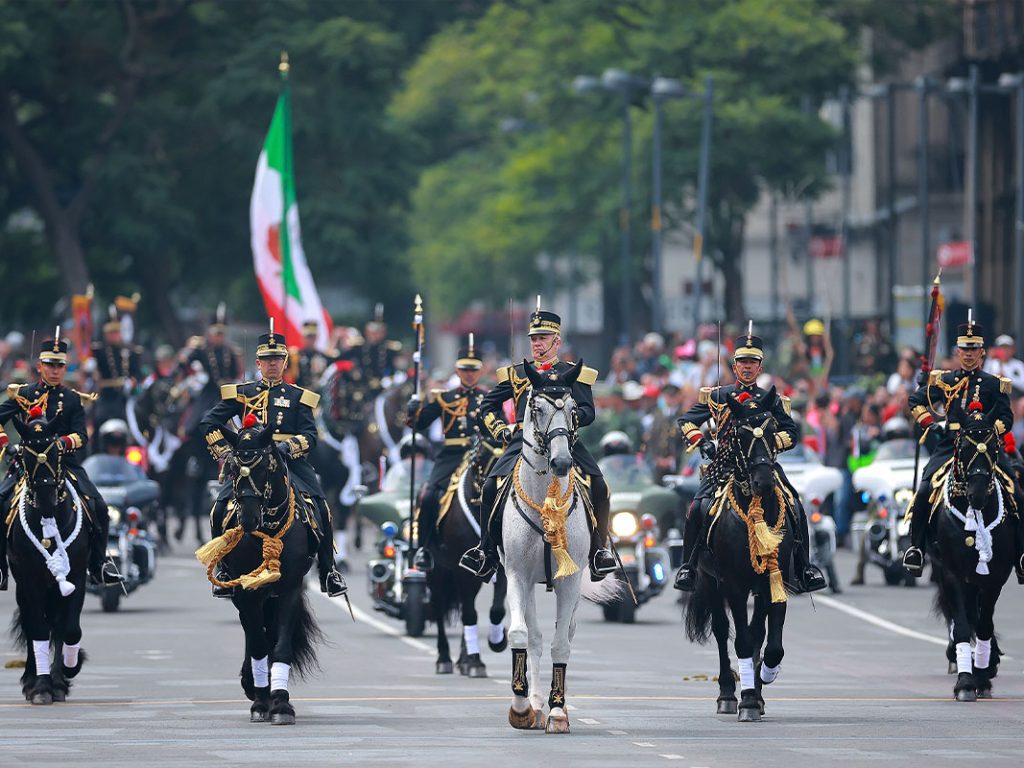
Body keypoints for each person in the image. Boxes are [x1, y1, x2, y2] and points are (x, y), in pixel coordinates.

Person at [459, 305, 615, 581]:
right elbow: (488, 406)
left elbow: (589, 410)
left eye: (542, 338)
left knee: (599, 483)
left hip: (564, 439)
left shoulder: (574, 372)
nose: (536, 343)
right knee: (489, 485)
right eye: (533, 338)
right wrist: (499, 428)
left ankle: (598, 551)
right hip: (523, 440)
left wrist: (572, 418)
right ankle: (486, 551)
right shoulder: (517, 374)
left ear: (557, 341)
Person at [672, 330, 826, 593]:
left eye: (752, 362)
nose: (747, 367)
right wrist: (704, 442)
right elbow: (686, 421)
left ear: (760, 367)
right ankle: (689, 566)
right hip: (724, 466)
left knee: (795, 505)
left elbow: (791, 433)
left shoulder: (772, 399)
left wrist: (767, 445)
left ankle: (804, 567)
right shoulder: (718, 396)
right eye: (742, 362)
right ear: (734, 366)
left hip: (762, 466)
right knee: (698, 507)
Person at [200, 322, 346, 599]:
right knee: (219, 509)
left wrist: (288, 448)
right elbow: (209, 423)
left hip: (290, 463)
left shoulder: (298, 397)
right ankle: (222, 570)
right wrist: (225, 451)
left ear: (285, 361)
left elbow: (310, 435)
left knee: (322, 509)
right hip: (249, 464)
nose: (272, 365)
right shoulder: (242, 393)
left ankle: (328, 571)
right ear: (258, 362)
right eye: (267, 360)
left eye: (277, 359)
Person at [903, 319, 1024, 583]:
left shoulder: (995, 384)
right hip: (950, 446)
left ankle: (1021, 555)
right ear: (958, 352)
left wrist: (993, 431)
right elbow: (915, 401)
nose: (968, 354)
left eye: (974, 349)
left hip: (985, 448)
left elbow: (1007, 417)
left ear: (982, 352)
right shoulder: (945, 381)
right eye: (964, 349)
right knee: (924, 490)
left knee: (1015, 487)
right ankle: (917, 548)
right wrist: (931, 424)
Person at [0, 334, 123, 590]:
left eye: (59, 366)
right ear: (40, 367)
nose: (55, 371)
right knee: (0, 502)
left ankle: (98, 565)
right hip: (27, 464)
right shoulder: (24, 394)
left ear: (65, 368)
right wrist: (6, 446)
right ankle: (1, 567)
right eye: (50, 365)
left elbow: (81, 435)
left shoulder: (72, 398)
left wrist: (61, 444)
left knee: (99, 507)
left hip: (64, 464)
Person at [406, 337, 486, 571]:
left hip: (481, 455)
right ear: (457, 370)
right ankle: (424, 548)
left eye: (473, 370)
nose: (469, 374)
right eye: (464, 369)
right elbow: (419, 424)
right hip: (451, 455)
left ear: (480, 371)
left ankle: (498, 548)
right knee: (429, 495)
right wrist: (413, 410)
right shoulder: (445, 397)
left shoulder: (489, 398)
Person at [89, 309, 144, 430]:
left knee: (136, 419)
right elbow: (91, 367)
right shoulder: (99, 351)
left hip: (125, 397)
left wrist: (133, 382)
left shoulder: (132, 352)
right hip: (105, 396)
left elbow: (138, 373)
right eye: (110, 333)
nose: (114, 335)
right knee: (98, 418)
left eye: (116, 332)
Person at [291, 319, 334, 390]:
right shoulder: (294, 356)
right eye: (308, 336)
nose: (311, 339)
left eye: (313, 336)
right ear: (302, 337)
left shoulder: (324, 356)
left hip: (318, 395)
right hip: (299, 394)